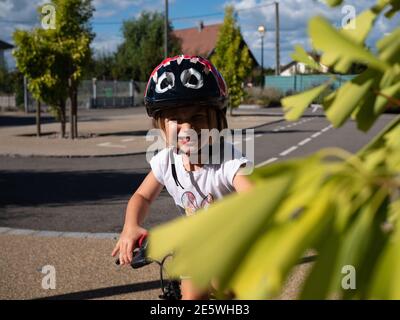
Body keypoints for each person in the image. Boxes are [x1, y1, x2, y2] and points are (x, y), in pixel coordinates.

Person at [111, 55, 254, 299]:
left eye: (197, 117)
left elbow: (256, 198)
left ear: (217, 120)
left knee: (226, 291)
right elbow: (142, 196)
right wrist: (130, 226)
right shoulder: (167, 161)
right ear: (161, 124)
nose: (187, 129)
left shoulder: (228, 160)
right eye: (175, 119)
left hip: (231, 246)